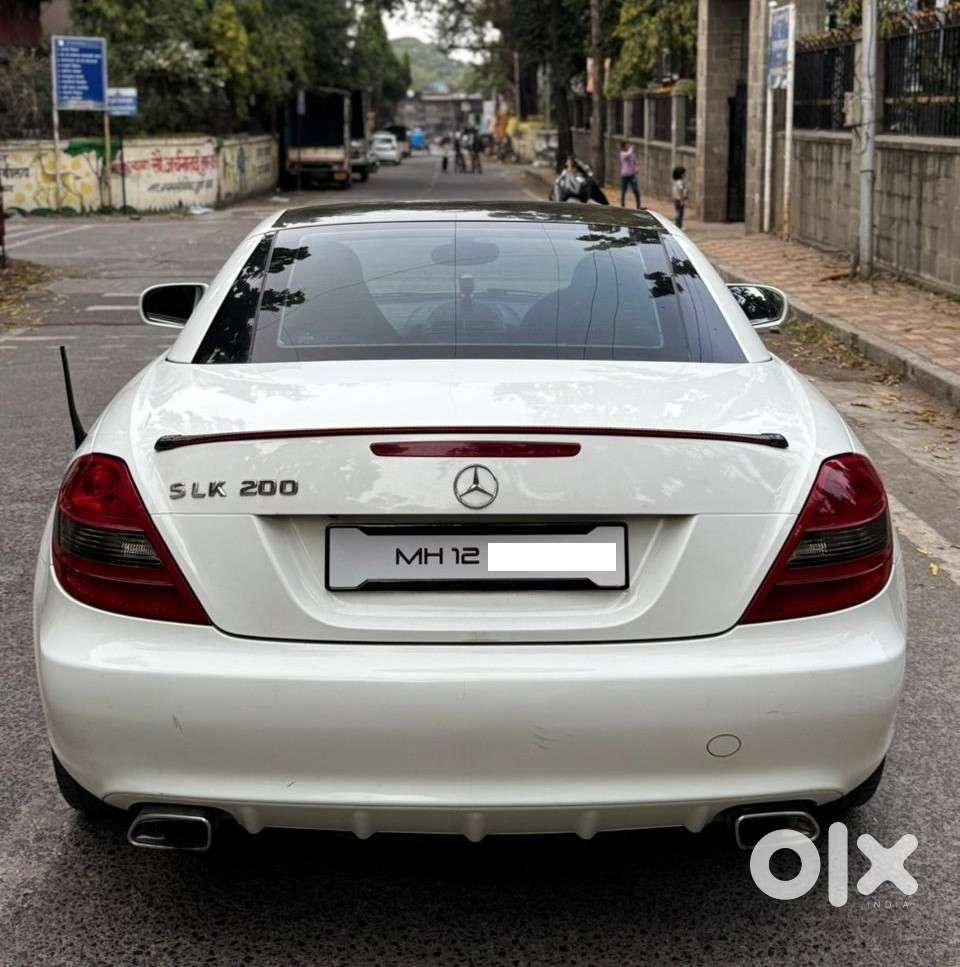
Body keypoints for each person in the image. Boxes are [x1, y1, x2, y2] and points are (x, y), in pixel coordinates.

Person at [619, 142, 641, 208]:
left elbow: (636, 162)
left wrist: (636, 169)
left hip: (632, 175)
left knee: (636, 190)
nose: (628, 146)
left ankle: (638, 206)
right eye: (626, 145)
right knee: (623, 191)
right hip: (625, 176)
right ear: (623, 147)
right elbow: (627, 154)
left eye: (628, 145)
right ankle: (622, 205)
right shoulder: (622, 154)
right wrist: (631, 148)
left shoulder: (631, 154)